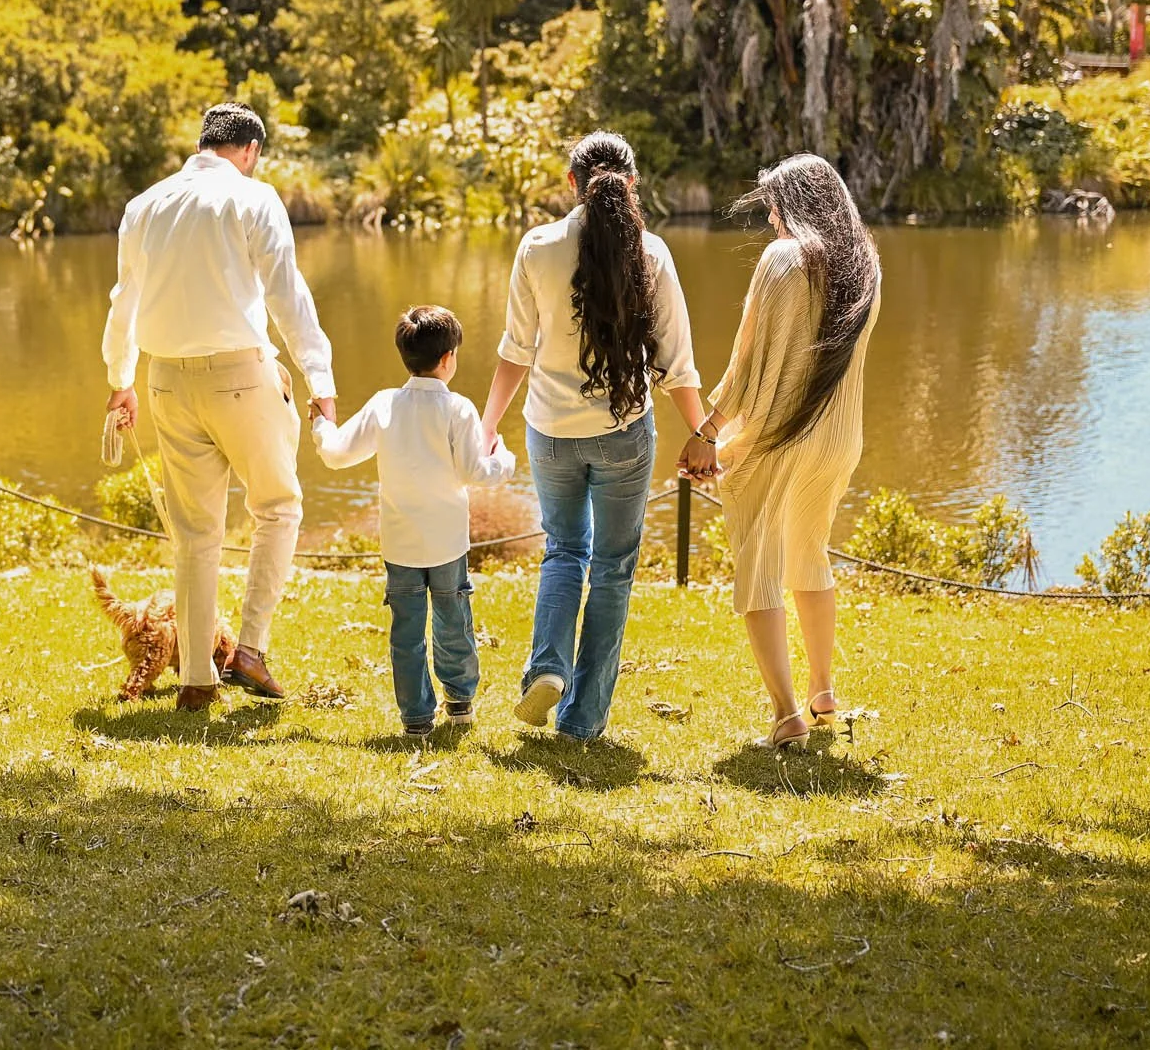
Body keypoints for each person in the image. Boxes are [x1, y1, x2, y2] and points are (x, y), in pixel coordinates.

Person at [478, 132, 716, 742]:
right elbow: (677, 365)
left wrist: (485, 428)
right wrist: (705, 432)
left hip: (550, 432)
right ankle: (583, 721)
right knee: (611, 568)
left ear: (571, 182)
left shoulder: (537, 247)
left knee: (563, 551)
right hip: (623, 435)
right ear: (632, 183)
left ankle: (547, 667)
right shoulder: (653, 253)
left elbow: (514, 353)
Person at [101, 103, 336, 712]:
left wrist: (120, 379)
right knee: (279, 509)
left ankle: (197, 678)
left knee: (195, 537)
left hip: (165, 383)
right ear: (251, 151)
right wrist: (319, 375)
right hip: (239, 374)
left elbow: (125, 300)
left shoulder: (144, 204)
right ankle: (250, 648)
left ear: (203, 143)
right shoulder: (253, 199)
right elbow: (288, 294)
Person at [692, 153, 881, 748]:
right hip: (837, 440)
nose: (771, 222)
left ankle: (786, 714)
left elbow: (749, 366)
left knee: (760, 565)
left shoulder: (784, 259)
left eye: (774, 207)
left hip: (782, 437)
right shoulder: (864, 264)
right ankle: (823, 691)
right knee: (810, 553)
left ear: (792, 205)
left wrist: (707, 431)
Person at [312, 305, 516, 739]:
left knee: (406, 633)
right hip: (446, 543)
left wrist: (321, 426)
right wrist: (504, 459)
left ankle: (416, 719)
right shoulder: (458, 408)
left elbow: (336, 454)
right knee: (453, 618)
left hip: (401, 545)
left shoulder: (385, 404)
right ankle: (459, 700)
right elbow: (473, 473)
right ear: (448, 359)